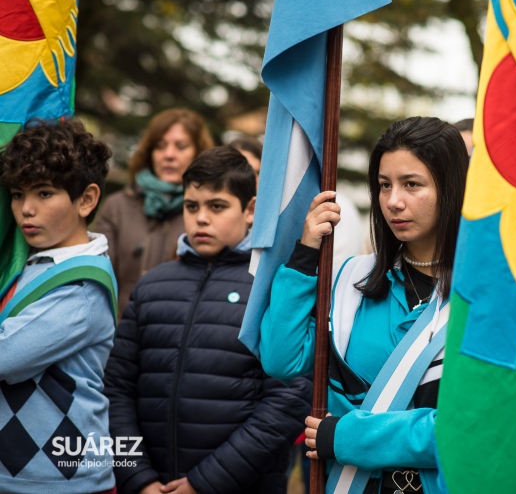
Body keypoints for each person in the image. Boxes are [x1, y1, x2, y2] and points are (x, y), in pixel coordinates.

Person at [258, 117, 468, 494]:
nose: (393, 201)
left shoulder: (485, 295)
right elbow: (280, 358)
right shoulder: (353, 279)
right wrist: (305, 254)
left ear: (451, 188)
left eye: (412, 184)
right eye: (384, 185)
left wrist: (347, 436)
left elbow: (476, 428)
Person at [103, 146, 311, 494]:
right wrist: (138, 477)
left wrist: (204, 483)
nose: (201, 218)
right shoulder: (152, 285)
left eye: (217, 206)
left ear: (251, 211)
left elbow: (287, 401)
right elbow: (117, 389)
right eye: (191, 206)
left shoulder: (272, 290)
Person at [0, 118, 117, 493]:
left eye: (44, 193)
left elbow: (5, 356)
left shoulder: (83, 283)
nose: (26, 209)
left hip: (60, 478)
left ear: (86, 199)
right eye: (18, 194)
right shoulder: (30, 265)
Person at [94, 108, 214, 314]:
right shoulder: (117, 206)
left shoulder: (209, 212)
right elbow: (98, 282)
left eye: (181, 146)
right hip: (119, 334)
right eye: (160, 147)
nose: (169, 155)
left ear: (198, 152)